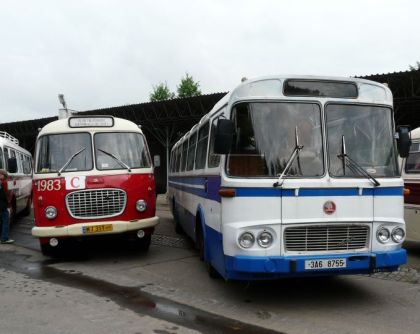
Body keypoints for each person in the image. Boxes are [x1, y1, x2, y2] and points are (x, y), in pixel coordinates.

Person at [0, 169, 14, 244]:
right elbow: (6, 195)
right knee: (5, 221)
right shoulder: (4, 182)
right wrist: (9, 205)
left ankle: (2, 237)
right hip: (3, 205)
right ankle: (4, 238)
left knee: (2, 222)